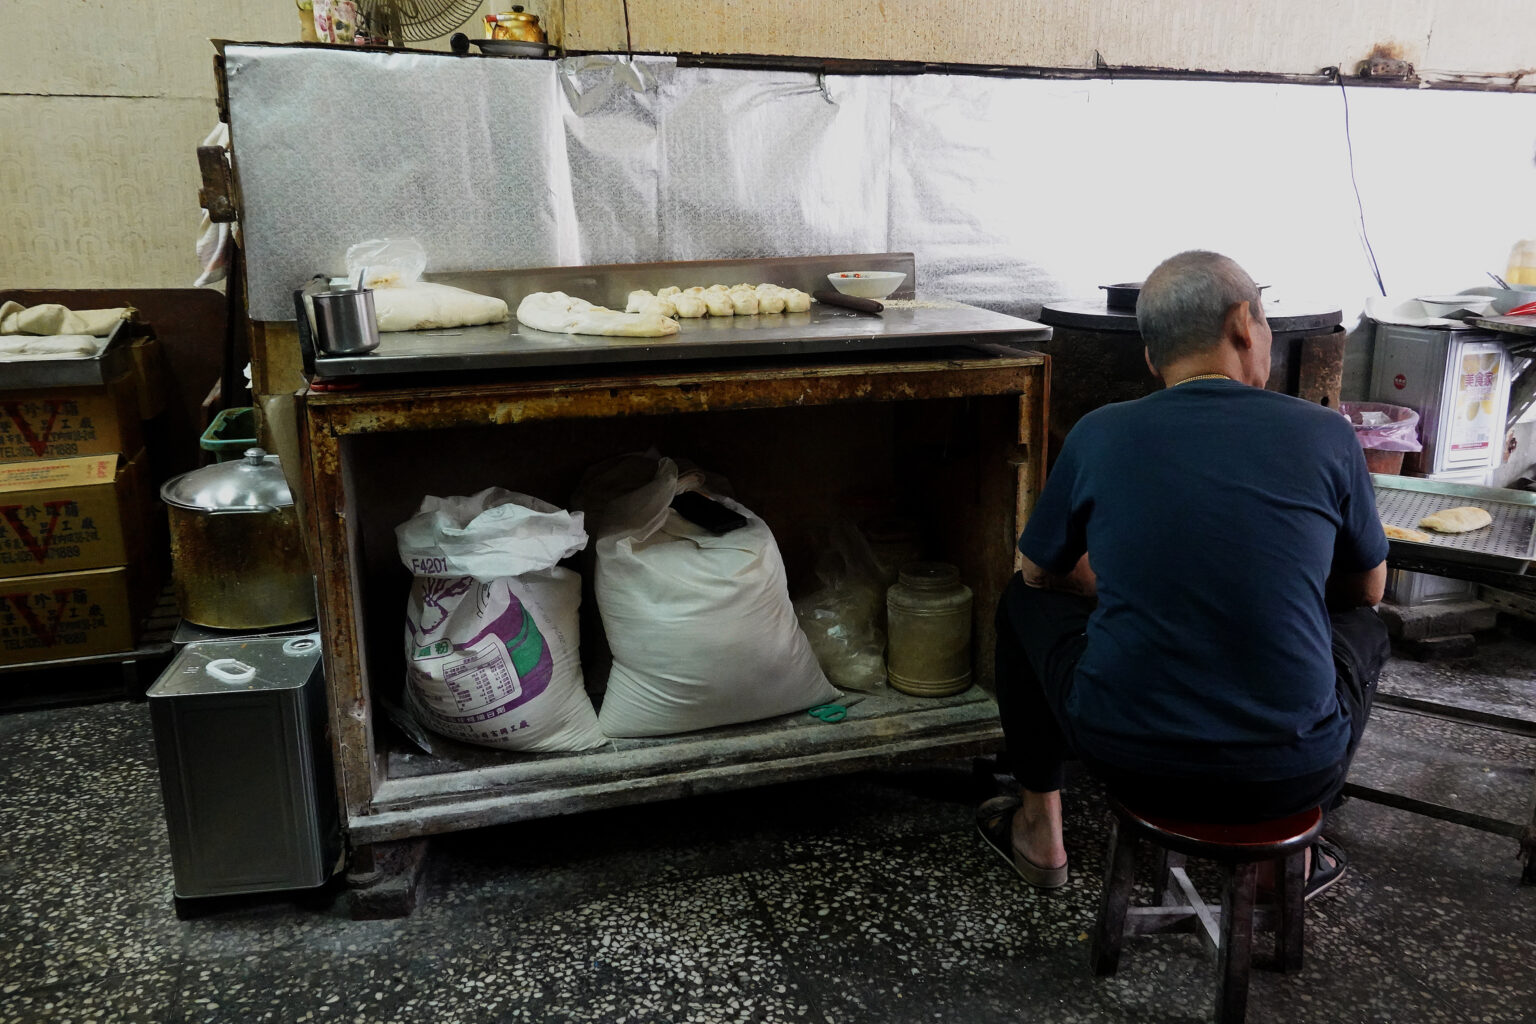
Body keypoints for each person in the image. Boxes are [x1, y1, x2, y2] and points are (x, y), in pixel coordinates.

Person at [978, 250, 1390, 897]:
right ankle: (1292, 857)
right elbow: (1368, 590)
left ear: (1151, 358)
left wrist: (1114, 582)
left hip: (1128, 760)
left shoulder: (1099, 432)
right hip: (1294, 771)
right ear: (1243, 325)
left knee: (1019, 602)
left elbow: (1037, 572)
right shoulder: (1325, 435)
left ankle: (1040, 829)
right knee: (1363, 625)